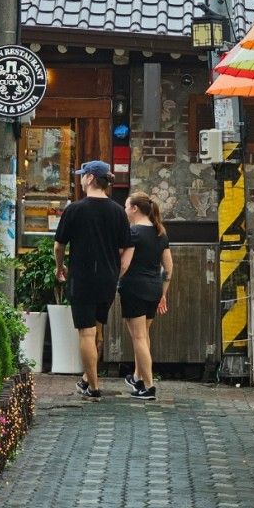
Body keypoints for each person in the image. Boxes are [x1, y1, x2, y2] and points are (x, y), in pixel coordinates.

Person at [54, 160, 133, 399]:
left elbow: (59, 246)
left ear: (90, 178)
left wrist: (60, 266)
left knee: (86, 334)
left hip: (83, 278)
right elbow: (128, 247)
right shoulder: (118, 211)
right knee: (98, 331)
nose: (80, 178)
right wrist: (120, 271)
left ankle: (95, 387)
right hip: (107, 281)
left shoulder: (75, 209)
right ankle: (88, 379)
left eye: (82, 175)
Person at [119, 191, 173, 400]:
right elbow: (168, 269)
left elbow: (124, 264)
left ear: (134, 209)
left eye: (126, 206)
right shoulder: (161, 233)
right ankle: (138, 377)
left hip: (134, 288)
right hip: (154, 289)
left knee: (138, 337)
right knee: (143, 336)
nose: (124, 209)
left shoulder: (133, 232)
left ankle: (149, 386)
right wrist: (163, 294)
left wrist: (115, 281)